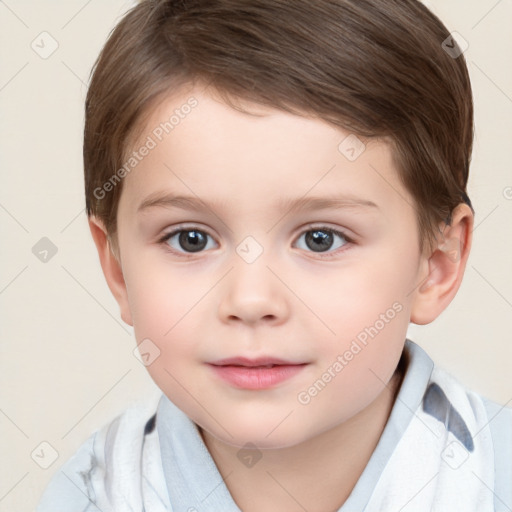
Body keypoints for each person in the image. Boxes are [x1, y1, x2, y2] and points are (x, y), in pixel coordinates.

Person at [36, 0, 512, 510]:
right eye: (190, 238)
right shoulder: (90, 496)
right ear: (118, 270)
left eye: (320, 239)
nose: (251, 299)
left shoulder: (494, 477)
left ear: (435, 266)